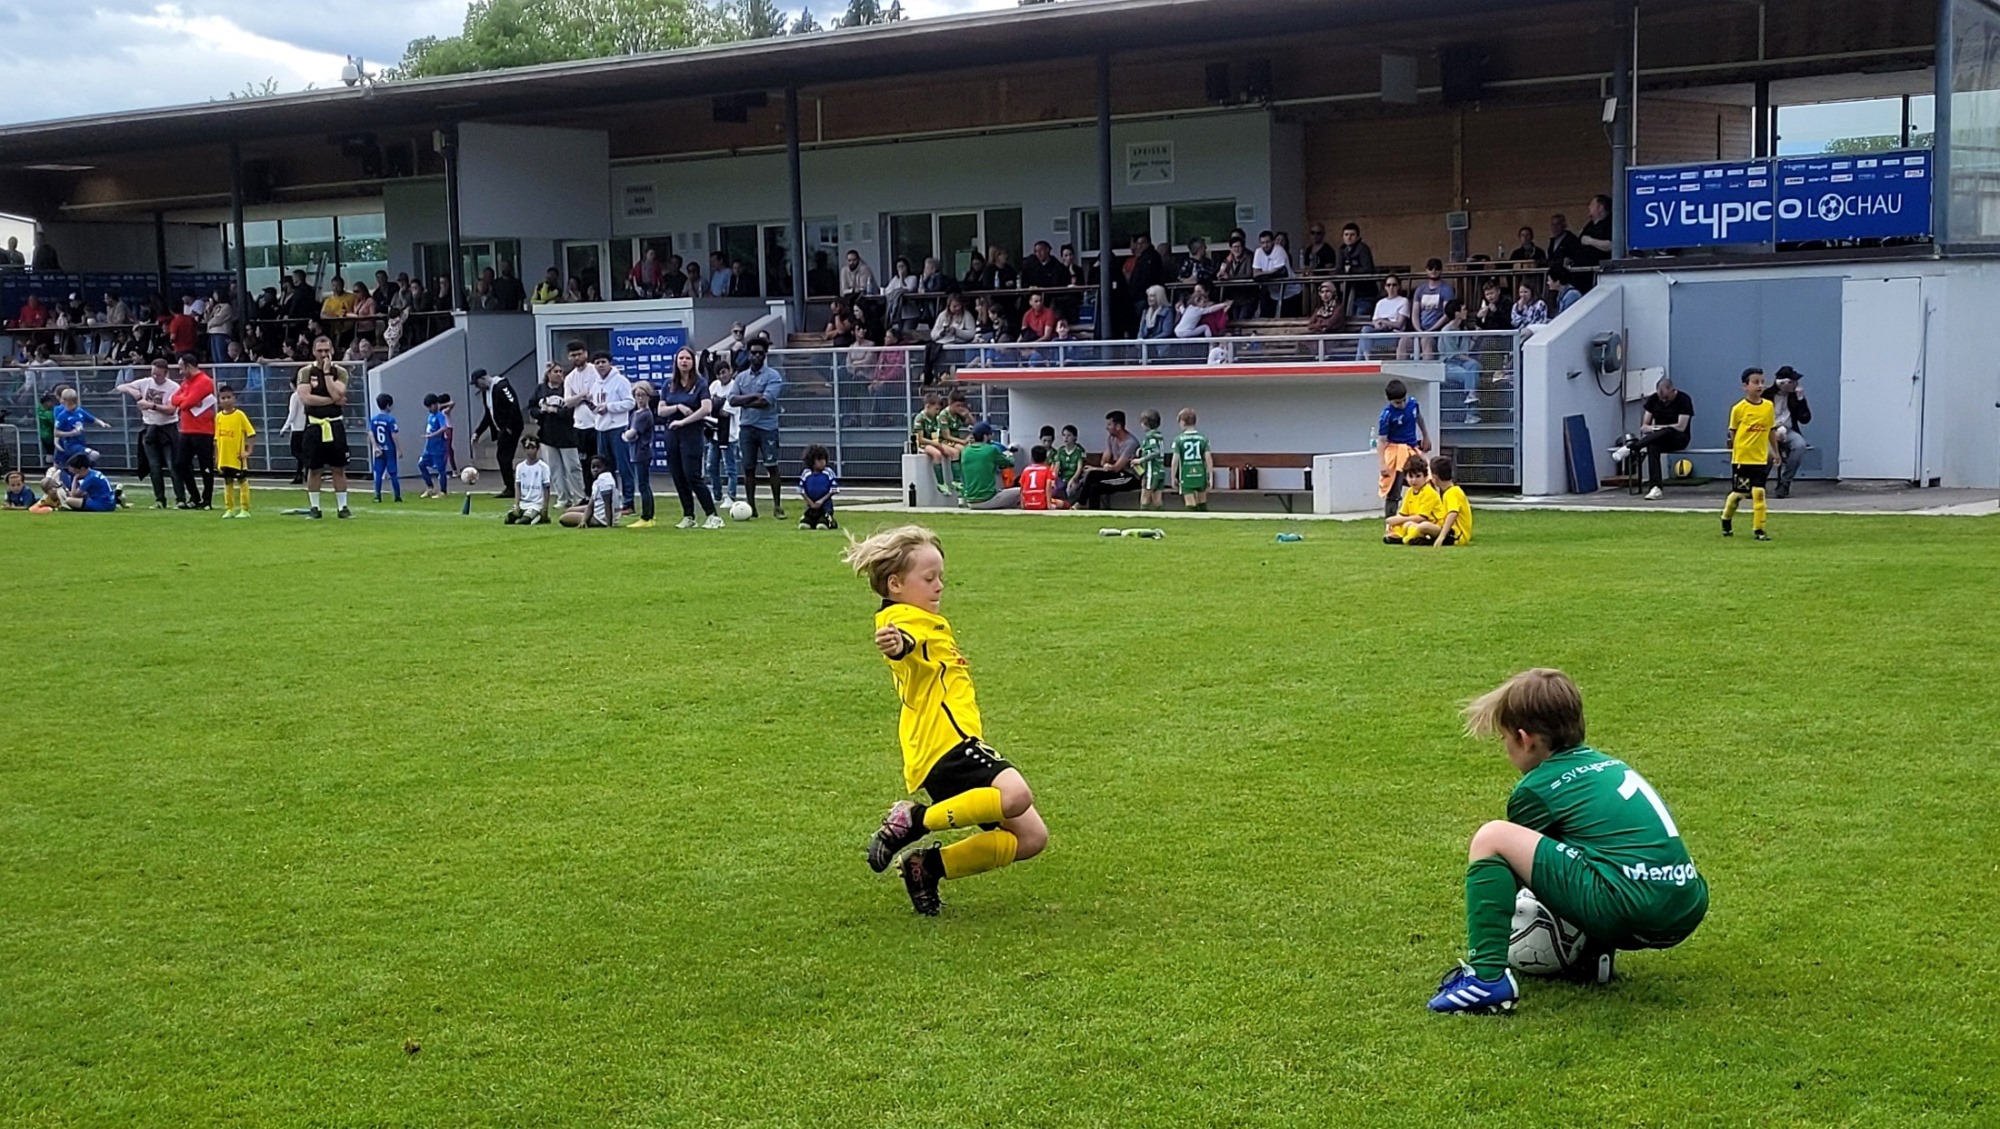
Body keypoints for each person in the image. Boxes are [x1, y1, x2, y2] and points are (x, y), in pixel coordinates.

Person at [1430, 668, 1707, 1014]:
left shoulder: (1535, 789)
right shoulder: (1609, 765)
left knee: (1494, 838)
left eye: (1503, 738)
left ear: (1525, 739)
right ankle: (1591, 957)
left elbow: (1521, 874)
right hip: (1686, 905)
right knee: (1590, 856)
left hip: (1629, 909)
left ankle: (1486, 980)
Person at [848, 525, 1049, 916]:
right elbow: (904, 644)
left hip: (941, 746)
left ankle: (925, 868)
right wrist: (898, 645)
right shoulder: (903, 620)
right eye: (929, 578)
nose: (939, 586)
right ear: (895, 584)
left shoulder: (920, 616)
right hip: (948, 744)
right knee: (1016, 795)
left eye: (941, 576)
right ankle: (914, 819)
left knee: (1031, 837)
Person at [659, 348, 723, 529]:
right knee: (678, 475)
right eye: (681, 358)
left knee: (692, 475)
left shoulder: (700, 383)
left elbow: (706, 408)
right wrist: (677, 407)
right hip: (672, 433)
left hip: (691, 433)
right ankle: (689, 516)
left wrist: (683, 422)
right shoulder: (669, 384)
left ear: (693, 362)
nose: (684, 361)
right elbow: (661, 410)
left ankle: (713, 515)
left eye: (688, 358)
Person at [730, 337, 786, 519]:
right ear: (748, 354)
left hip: (767, 428)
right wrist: (754, 396)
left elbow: (766, 401)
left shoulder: (773, 376)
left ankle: (777, 506)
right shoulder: (741, 377)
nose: (756, 356)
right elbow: (732, 399)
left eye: (760, 353)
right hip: (747, 428)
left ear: (765, 355)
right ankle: (751, 507)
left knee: (772, 466)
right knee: (748, 468)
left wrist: (744, 401)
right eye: (753, 353)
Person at [295, 337, 351, 518]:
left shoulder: (340, 371)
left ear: (332, 351)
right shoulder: (305, 372)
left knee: (338, 468)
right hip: (314, 425)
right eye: (320, 351)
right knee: (314, 469)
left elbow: (339, 392)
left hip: (335, 424)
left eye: (326, 350)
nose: (323, 354)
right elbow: (306, 398)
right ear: (313, 352)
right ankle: (315, 507)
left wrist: (327, 374)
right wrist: (332, 400)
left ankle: (342, 507)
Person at [1613, 376, 1693, 500]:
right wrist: (1655, 429)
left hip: (1678, 438)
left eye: (1667, 397)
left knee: (1667, 430)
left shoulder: (1684, 399)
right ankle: (1655, 487)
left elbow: (1681, 426)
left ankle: (1632, 447)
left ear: (1673, 390)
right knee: (1652, 446)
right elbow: (1645, 426)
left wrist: (1658, 428)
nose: (1664, 401)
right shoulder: (1653, 400)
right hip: (1658, 438)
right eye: (1661, 398)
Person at [1722, 366, 1776, 541]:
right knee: (1739, 495)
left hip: (1759, 459)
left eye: (1762, 382)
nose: (1760, 386)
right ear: (1745, 386)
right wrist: (1736, 450)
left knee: (1759, 493)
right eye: (1755, 382)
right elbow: (1733, 432)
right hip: (1743, 459)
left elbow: (1771, 430)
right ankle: (1726, 519)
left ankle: (1759, 529)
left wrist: (1775, 452)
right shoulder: (1738, 408)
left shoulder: (1768, 406)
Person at [589, 351, 636, 513]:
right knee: (605, 469)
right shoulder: (595, 384)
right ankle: (611, 503)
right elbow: (596, 404)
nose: (600, 365)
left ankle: (629, 503)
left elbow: (630, 403)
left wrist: (609, 407)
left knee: (623, 467)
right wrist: (595, 409)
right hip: (601, 428)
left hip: (618, 427)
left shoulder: (620, 381)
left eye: (603, 362)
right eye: (597, 363)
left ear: (610, 363)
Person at [169, 356, 218, 510]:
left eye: (181, 368)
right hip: (187, 429)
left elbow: (186, 404)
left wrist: (184, 399)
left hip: (203, 430)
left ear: (189, 366)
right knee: (180, 464)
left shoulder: (204, 381)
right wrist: (185, 399)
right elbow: (174, 399)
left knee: (205, 466)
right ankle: (195, 496)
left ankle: (206, 500)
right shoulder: (186, 383)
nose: (180, 372)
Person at [1377, 378, 1431, 515]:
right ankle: (1390, 522)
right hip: (1396, 452)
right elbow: (1382, 440)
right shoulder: (1386, 415)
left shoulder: (1413, 404)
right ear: (1389, 401)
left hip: (1412, 448)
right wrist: (1383, 464)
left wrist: (1426, 436)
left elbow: (1419, 418)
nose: (1401, 405)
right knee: (1394, 489)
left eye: (1403, 400)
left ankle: (1427, 516)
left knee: (1427, 480)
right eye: (1397, 403)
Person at [1069, 410, 1140, 511]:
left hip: (1129, 477)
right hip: (1117, 474)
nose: (1107, 428)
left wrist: (1096, 468)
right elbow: (1104, 461)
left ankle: (1083, 505)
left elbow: (1117, 468)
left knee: (1096, 486)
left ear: (1118, 426)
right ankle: (1082, 504)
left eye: (1109, 425)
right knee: (1092, 476)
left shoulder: (1131, 443)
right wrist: (1103, 467)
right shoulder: (1111, 438)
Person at [534, 362, 583, 508]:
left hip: (567, 435)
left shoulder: (567, 388)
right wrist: (541, 411)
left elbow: (571, 410)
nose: (559, 374)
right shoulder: (541, 389)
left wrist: (555, 411)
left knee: (573, 468)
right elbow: (532, 407)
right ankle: (563, 497)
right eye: (555, 371)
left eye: (561, 371)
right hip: (547, 435)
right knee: (554, 469)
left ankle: (579, 497)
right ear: (548, 374)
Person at [473, 368, 523, 499]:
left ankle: (511, 487)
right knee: (502, 457)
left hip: (511, 428)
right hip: (502, 429)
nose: (478, 387)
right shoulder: (486, 393)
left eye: (477, 384)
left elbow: (513, 405)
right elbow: (488, 414)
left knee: (504, 456)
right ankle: (510, 486)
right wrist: (478, 432)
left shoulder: (502, 386)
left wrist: (510, 426)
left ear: (483, 379)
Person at [1404, 455, 1472, 547]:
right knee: (1410, 524)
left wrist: (1441, 536)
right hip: (1449, 531)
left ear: (1435, 477)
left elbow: (1453, 513)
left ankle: (1413, 538)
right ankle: (1421, 538)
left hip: (1456, 535)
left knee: (1423, 526)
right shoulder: (1450, 492)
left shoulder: (1452, 492)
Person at [1768, 365, 1813, 498]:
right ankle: (1758, 482)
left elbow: (1805, 419)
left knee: (1799, 445)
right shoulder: (1767, 395)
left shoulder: (1794, 396)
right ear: (1783, 384)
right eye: (1793, 382)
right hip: (1769, 430)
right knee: (1768, 453)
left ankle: (1785, 482)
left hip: (1788, 430)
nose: (1796, 384)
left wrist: (1801, 399)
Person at [211, 384, 256, 518]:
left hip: (237, 457)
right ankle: (229, 509)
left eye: (228, 397)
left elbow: (251, 433)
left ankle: (244, 509)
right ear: (219, 400)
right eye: (223, 398)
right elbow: (217, 439)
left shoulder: (239, 415)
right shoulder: (219, 417)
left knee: (242, 481)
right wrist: (217, 457)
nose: (226, 400)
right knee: (227, 482)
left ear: (234, 398)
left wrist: (248, 451)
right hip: (224, 458)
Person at [958, 422, 1018, 510]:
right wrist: (1009, 453)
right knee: (1020, 491)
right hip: (987, 500)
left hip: (970, 501)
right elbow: (1010, 463)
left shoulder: (965, 451)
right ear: (985, 436)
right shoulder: (991, 450)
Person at [623, 380, 659, 528]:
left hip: (641, 452)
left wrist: (625, 435)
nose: (640, 398)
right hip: (636, 451)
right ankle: (650, 515)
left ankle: (646, 516)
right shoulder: (635, 413)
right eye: (637, 395)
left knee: (643, 485)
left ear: (648, 396)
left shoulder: (644, 414)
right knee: (644, 485)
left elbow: (631, 433)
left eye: (643, 395)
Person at [1384, 453, 1442, 544]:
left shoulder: (1429, 492)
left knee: (1415, 525)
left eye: (1418, 476)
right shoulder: (1409, 492)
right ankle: (1398, 536)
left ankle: (1407, 538)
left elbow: (1422, 518)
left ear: (1425, 477)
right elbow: (1403, 513)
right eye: (1410, 476)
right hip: (1413, 522)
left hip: (1433, 524)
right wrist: (1392, 522)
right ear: (1405, 477)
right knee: (1396, 524)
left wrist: (1399, 520)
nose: (1414, 480)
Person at [705, 358, 740, 505]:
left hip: (729, 434)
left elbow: (725, 412)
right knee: (711, 466)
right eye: (718, 374)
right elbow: (707, 406)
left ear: (730, 371)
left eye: (724, 372)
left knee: (729, 467)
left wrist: (715, 406)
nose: (721, 376)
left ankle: (731, 496)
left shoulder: (735, 387)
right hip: (714, 432)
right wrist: (715, 406)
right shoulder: (714, 385)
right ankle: (717, 494)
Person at [50, 387, 108, 472]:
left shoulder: (80, 411)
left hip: (80, 443)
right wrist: (71, 433)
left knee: (75, 466)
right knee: (94, 455)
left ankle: (76, 472)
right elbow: (56, 432)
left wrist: (102, 423)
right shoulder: (62, 416)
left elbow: (92, 419)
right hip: (71, 445)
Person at [1356, 275, 1411, 361]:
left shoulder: (1403, 301)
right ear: (1385, 287)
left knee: (1362, 340)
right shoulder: (1380, 303)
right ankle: (1367, 359)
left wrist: (1384, 322)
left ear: (1398, 286)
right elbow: (1374, 321)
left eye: (1394, 285)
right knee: (1365, 330)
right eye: (1388, 285)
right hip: (1379, 334)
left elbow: (1399, 324)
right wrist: (1379, 325)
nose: (1391, 287)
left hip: (1394, 336)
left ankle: (1363, 361)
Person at [1171, 408, 1213, 511]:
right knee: (1202, 501)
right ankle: (1204, 518)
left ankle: (1192, 516)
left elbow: (1175, 460)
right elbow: (1208, 458)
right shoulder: (1203, 438)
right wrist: (1211, 476)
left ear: (1183, 422)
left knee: (1190, 502)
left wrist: (1173, 477)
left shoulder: (1178, 440)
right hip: (1200, 473)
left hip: (1186, 474)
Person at [560, 455, 619, 528]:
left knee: (563, 518)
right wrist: (583, 521)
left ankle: (596, 521)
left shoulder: (605, 480)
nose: (595, 470)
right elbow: (590, 505)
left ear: (606, 467)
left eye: (598, 467)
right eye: (593, 467)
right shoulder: (599, 480)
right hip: (598, 510)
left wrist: (609, 525)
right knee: (569, 510)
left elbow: (608, 503)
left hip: (601, 519)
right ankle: (585, 519)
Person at [505, 435, 552, 525]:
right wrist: (516, 504)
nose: (530, 451)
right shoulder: (520, 467)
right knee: (509, 519)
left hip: (536, 504)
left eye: (533, 447)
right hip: (523, 503)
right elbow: (518, 486)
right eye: (527, 448)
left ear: (537, 449)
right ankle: (527, 515)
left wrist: (545, 508)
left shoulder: (543, 467)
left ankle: (539, 516)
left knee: (524, 521)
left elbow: (546, 488)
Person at [369, 392, 403, 503]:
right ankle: (397, 496)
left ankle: (377, 496)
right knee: (393, 473)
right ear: (388, 405)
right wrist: (399, 449)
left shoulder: (374, 419)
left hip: (379, 449)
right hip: (389, 449)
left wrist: (375, 447)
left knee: (378, 473)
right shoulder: (390, 420)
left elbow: (371, 433)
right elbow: (394, 435)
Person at [798, 442, 839, 529]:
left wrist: (822, 500)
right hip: (811, 505)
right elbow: (802, 490)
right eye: (819, 460)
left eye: (824, 459)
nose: (822, 462)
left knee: (822, 525)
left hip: (825, 506)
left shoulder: (828, 472)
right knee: (804, 525)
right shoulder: (806, 473)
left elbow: (834, 489)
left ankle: (829, 521)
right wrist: (810, 503)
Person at [1133, 409, 1168, 511]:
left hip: (1151, 471)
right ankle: (1162, 516)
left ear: (1145, 423)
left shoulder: (1150, 436)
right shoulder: (1159, 435)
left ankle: (1142, 515)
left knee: (1145, 496)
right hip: (1160, 470)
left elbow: (1155, 451)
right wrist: (1142, 450)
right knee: (1157, 499)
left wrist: (1140, 460)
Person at [418, 394, 450, 499]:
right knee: (421, 465)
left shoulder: (440, 415)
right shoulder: (430, 416)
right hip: (429, 447)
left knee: (441, 469)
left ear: (436, 404)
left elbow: (444, 428)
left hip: (438, 447)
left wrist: (432, 435)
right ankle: (430, 488)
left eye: (430, 406)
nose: (429, 409)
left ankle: (443, 491)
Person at [1050, 423, 1086, 506]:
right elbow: (1056, 467)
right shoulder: (1060, 451)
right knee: (1053, 488)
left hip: (1075, 478)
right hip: (1062, 478)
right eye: (1064, 435)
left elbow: (1079, 468)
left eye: (1069, 435)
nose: (1066, 438)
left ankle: (1071, 506)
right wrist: (1053, 480)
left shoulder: (1079, 450)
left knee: (1071, 490)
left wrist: (1073, 479)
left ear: (1075, 437)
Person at [1018, 446, 1056, 511]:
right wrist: (1049, 504)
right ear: (1045, 458)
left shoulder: (1026, 470)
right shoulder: (1046, 470)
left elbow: (1022, 488)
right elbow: (1048, 486)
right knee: (1064, 503)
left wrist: (1022, 505)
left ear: (1032, 458)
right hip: (1041, 504)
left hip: (1028, 504)